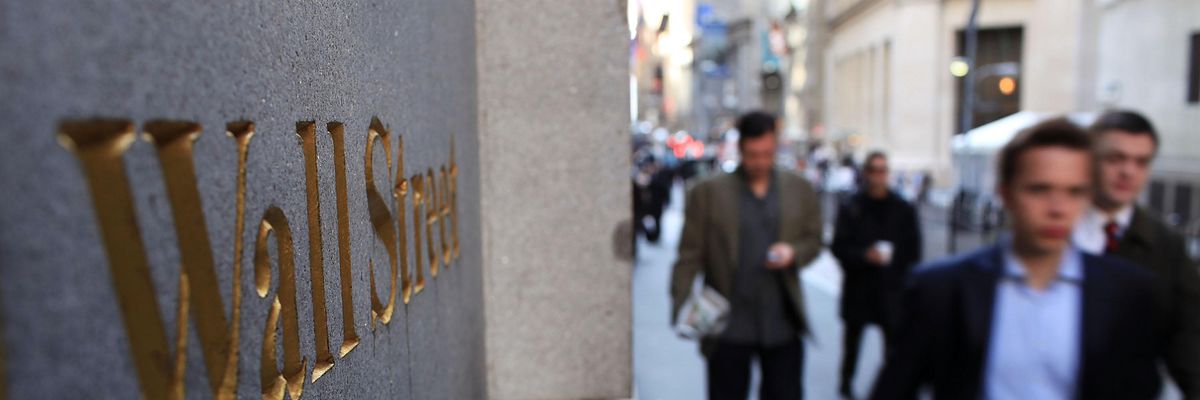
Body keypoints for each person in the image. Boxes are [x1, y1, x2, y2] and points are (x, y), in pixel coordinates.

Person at [872, 118, 1164, 400]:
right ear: (1006, 194)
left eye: (1074, 192)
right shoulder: (941, 288)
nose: (1058, 208)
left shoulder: (1128, 293)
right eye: (1039, 189)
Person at [670, 111, 823, 400]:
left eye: (766, 153)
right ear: (740, 149)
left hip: (781, 322)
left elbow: (814, 240)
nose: (760, 162)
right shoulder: (708, 193)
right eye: (753, 154)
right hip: (728, 324)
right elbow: (689, 255)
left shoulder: (798, 188)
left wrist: (794, 252)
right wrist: (681, 307)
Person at [1071, 110, 1200, 397]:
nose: (1128, 171)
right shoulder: (1053, 230)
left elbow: (1189, 342)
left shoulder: (1169, 247)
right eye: (1115, 158)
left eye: (1141, 162)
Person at [831, 151, 922, 399]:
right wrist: (863, 256)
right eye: (874, 170)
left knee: (893, 349)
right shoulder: (852, 206)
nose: (878, 176)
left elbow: (913, 252)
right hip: (859, 287)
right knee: (852, 345)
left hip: (890, 289)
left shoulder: (902, 208)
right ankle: (845, 383)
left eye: (882, 170)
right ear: (866, 173)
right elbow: (839, 247)